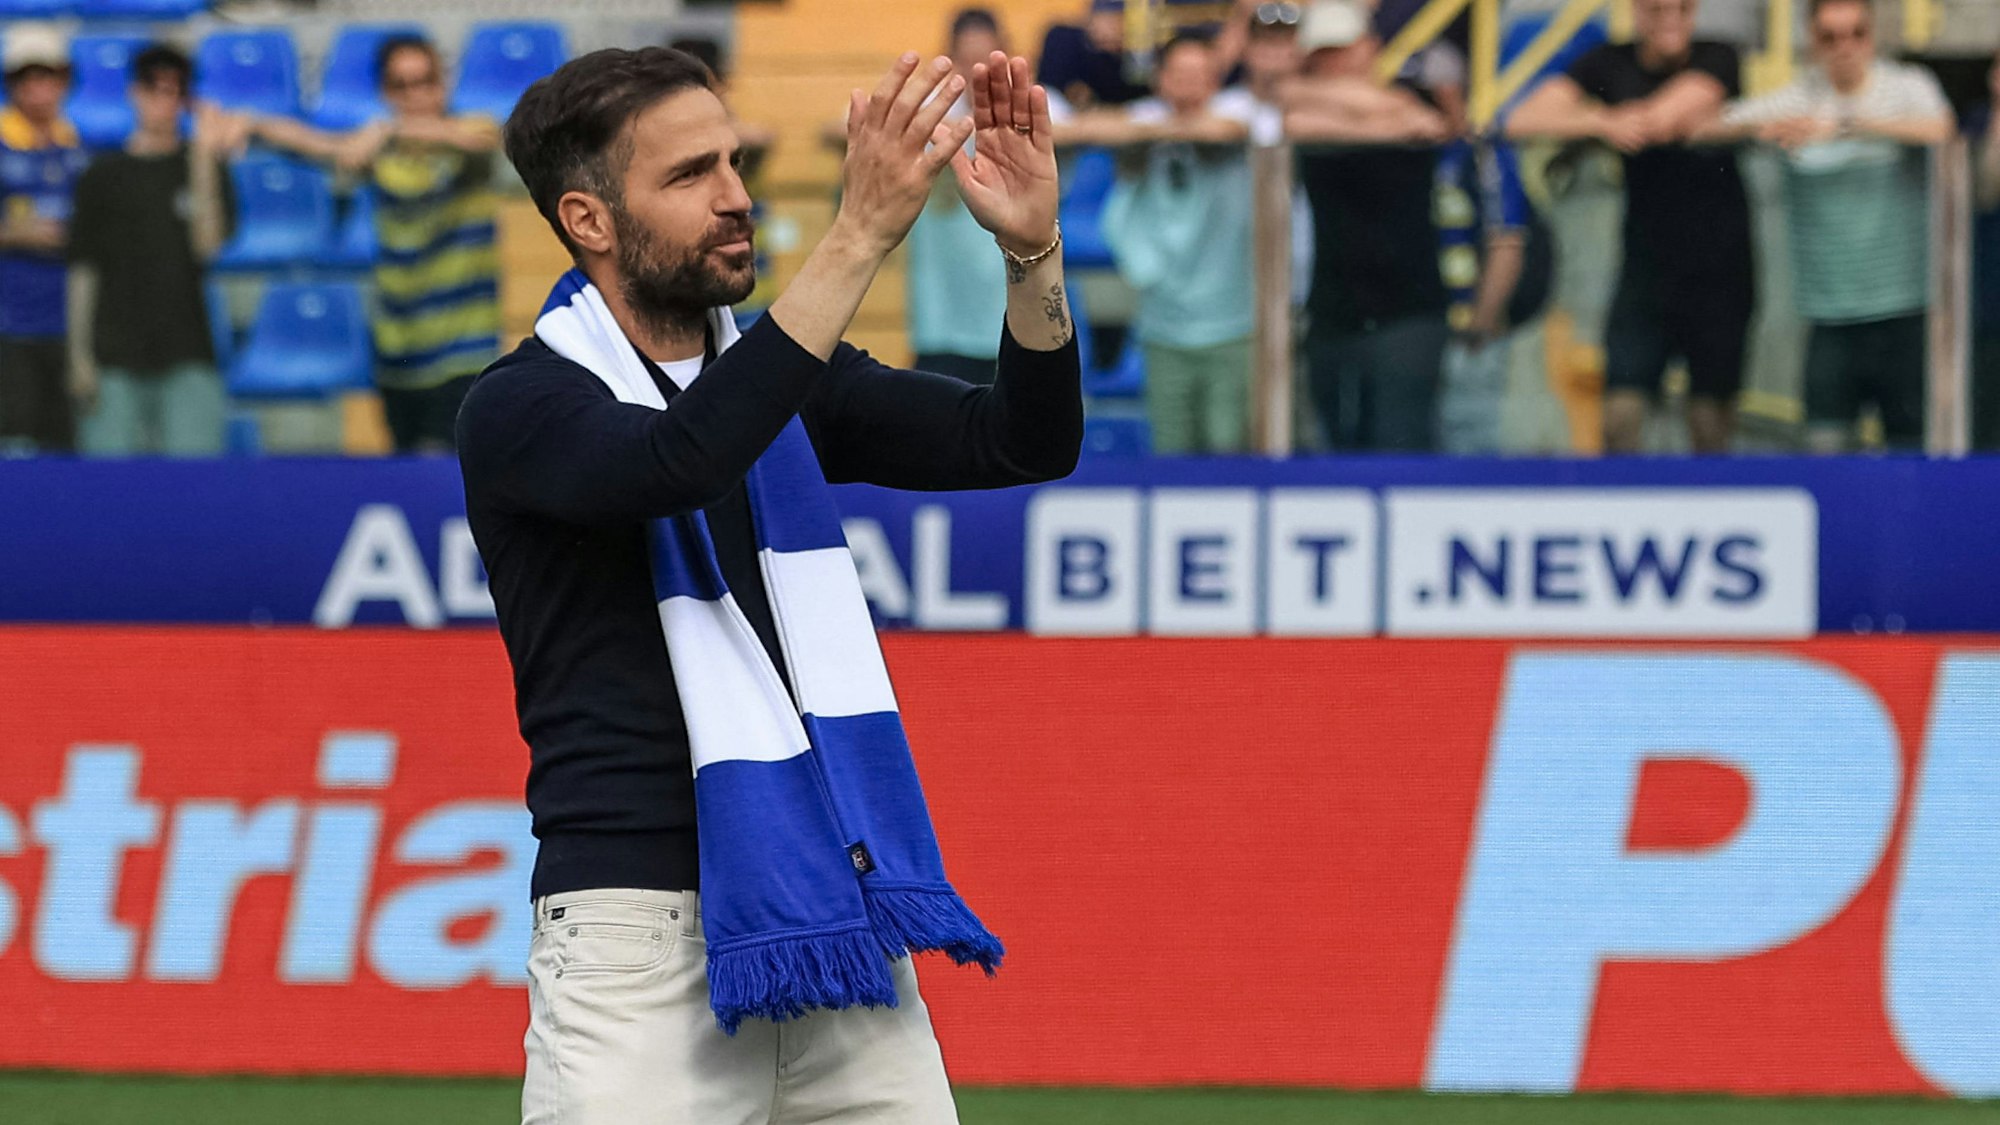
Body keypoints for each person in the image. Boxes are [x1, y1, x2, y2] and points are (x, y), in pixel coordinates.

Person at [456, 46, 1079, 1124]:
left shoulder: (782, 377)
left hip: (833, 925)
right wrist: (857, 233)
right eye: (690, 173)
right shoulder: (517, 407)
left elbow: (1019, 442)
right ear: (588, 220)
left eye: (735, 160)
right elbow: (680, 460)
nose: (738, 195)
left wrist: (1033, 257)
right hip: (636, 947)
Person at [1506, 0, 1753, 455]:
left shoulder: (1718, 55)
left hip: (1720, 269)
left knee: (1709, 422)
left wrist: (1603, 121)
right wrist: (1601, 121)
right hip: (1646, 269)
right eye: (1657, 8)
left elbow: (1661, 120)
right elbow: (1522, 119)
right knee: (1620, 415)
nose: (1670, 18)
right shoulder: (1608, 61)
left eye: (1681, 8)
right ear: (1638, 12)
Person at [1708, 0, 1953, 452]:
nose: (1845, 48)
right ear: (1812, 40)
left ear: (1872, 34)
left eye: (1856, 34)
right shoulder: (1800, 96)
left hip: (1905, 309)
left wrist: (1844, 125)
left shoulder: (1906, 86)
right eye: (1830, 37)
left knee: (1913, 452)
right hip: (1828, 314)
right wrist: (1765, 128)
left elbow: (1942, 129)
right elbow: (1710, 126)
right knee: (1825, 451)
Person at [243, 34, 502, 454]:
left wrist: (386, 128)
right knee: (411, 480)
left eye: (425, 81)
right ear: (386, 91)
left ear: (443, 83)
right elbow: (314, 143)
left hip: (462, 353)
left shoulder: (471, 129)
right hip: (398, 352)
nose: (416, 95)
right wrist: (251, 123)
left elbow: (485, 144)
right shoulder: (384, 155)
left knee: (440, 471)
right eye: (401, 85)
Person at [1066, 33, 1256, 454]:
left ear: (1214, 80)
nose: (1188, 85)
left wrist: (1157, 131)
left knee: (1230, 455)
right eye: (1178, 74)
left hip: (1233, 326)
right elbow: (1080, 127)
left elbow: (1228, 130)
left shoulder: (1236, 110)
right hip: (1163, 326)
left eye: (1198, 74)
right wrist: (1156, 130)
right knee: (1170, 454)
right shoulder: (1143, 120)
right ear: (1159, 79)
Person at [1283, 0, 1453, 452]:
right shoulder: (1383, 109)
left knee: (1401, 443)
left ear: (1370, 47)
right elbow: (1289, 113)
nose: (1332, 63)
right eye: (1322, 54)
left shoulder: (1414, 96)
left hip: (1407, 309)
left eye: (1342, 50)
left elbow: (1425, 122)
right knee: (1336, 447)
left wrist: (1358, 111)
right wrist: (1380, 123)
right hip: (1335, 312)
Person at [66, 45, 237, 457]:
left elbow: (207, 244)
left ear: (186, 99)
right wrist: (79, 357)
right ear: (133, 92)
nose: (163, 101)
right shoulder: (101, 174)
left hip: (187, 348)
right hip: (113, 352)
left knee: (193, 489)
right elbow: (82, 270)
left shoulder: (204, 169)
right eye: (153, 88)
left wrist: (202, 154)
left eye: (174, 91)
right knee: (108, 491)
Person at [905, 8, 1017, 384]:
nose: (977, 73)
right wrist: (951, 130)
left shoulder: (1031, 106)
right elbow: (840, 126)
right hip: (940, 323)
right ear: (951, 61)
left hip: (1012, 321)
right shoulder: (928, 113)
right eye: (968, 62)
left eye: (987, 62)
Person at [0, 24, 88, 455]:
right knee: (14, 451)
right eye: (26, 76)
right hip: (9, 323)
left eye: (47, 75)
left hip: (70, 324)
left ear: (64, 80)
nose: (38, 87)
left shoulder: (77, 147)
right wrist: (16, 234)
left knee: (66, 450)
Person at [1037, 0, 1149, 110]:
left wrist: (1116, 54)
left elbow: (1139, 92)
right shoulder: (1062, 37)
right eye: (1107, 19)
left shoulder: (1137, 51)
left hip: (1119, 113)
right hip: (1066, 110)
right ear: (1091, 18)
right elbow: (1050, 83)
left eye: (1119, 19)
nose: (1114, 27)